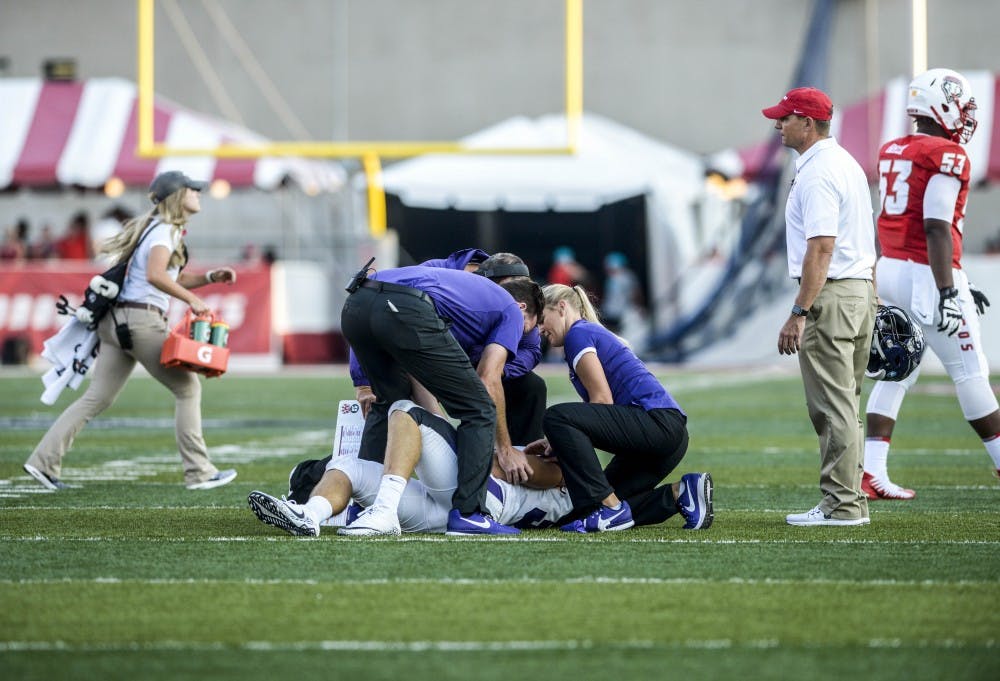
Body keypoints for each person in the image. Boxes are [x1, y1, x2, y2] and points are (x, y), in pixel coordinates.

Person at [22, 171, 239, 491]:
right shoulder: (165, 230)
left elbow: (167, 276)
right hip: (140, 321)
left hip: (117, 322)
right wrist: (193, 300)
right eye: (192, 189)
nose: (198, 193)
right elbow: (155, 275)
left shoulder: (161, 230)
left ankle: (42, 462)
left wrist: (208, 277)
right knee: (187, 389)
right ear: (177, 195)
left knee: (97, 397)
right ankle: (199, 472)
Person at [862, 68, 1000, 498]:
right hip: (926, 274)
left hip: (893, 268)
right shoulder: (946, 154)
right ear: (941, 104)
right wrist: (948, 289)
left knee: (899, 369)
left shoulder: (893, 148)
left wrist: (956, 277)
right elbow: (937, 226)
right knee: (970, 371)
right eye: (960, 104)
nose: (965, 115)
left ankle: (872, 472)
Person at [335, 265, 544, 536]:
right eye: (530, 327)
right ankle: (469, 513)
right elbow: (488, 380)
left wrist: (437, 422)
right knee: (480, 409)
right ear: (522, 307)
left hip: (356, 303)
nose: (524, 336)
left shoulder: (462, 295)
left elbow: (416, 368)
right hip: (402, 307)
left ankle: (362, 507)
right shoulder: (510, 311)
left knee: (386, 401)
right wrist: (505, 449)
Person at [763, 87, 878, 527]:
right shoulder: (845, 162)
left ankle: (843, 505)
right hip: (857, 290)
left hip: (831, 295)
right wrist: (872, 293)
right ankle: (848, 500)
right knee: (846, 403)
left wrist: (799, 312)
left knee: (831, 407)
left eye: (784, 118)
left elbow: (823, 246)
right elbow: (863, 238)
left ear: (807, 123)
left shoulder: (818, 172)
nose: (777, 125)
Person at [530, 283, 713, 532]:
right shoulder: (587, 332)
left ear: (562, 307)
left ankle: (612, 509)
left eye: (541, 319)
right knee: (585, 511)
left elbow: (602, 400)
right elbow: (600, 415)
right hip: (664, 435)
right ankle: (680, 494)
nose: (539, 329)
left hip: (657, 425)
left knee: (555, 418)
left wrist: (562, 438)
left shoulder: (577, 334)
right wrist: (561, 443)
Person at [247, 400, 573, 536]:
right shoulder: (556, 469)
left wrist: (493, 445)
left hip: (481, 501)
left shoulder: (560, 472)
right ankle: (310, 516)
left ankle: (384, 512)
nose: (546, 440)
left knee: (406, 411)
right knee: (346, 465)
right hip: (447, 511)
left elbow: (496, 469)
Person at [352, 250, 546, 444]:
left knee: (531, 386)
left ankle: (523, 462)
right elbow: (372, 305)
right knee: (391, 396)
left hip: (476, 362)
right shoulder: (431, 273)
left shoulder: (517, 299)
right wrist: (362, 383)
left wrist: (499, 369)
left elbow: (530, 349)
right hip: (420, 355)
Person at [600, 251, 642, 335]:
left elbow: (636, 294)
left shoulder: (627, 277)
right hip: (612, 313)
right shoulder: (612, 279)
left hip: (623, 314)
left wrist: (638, 307)